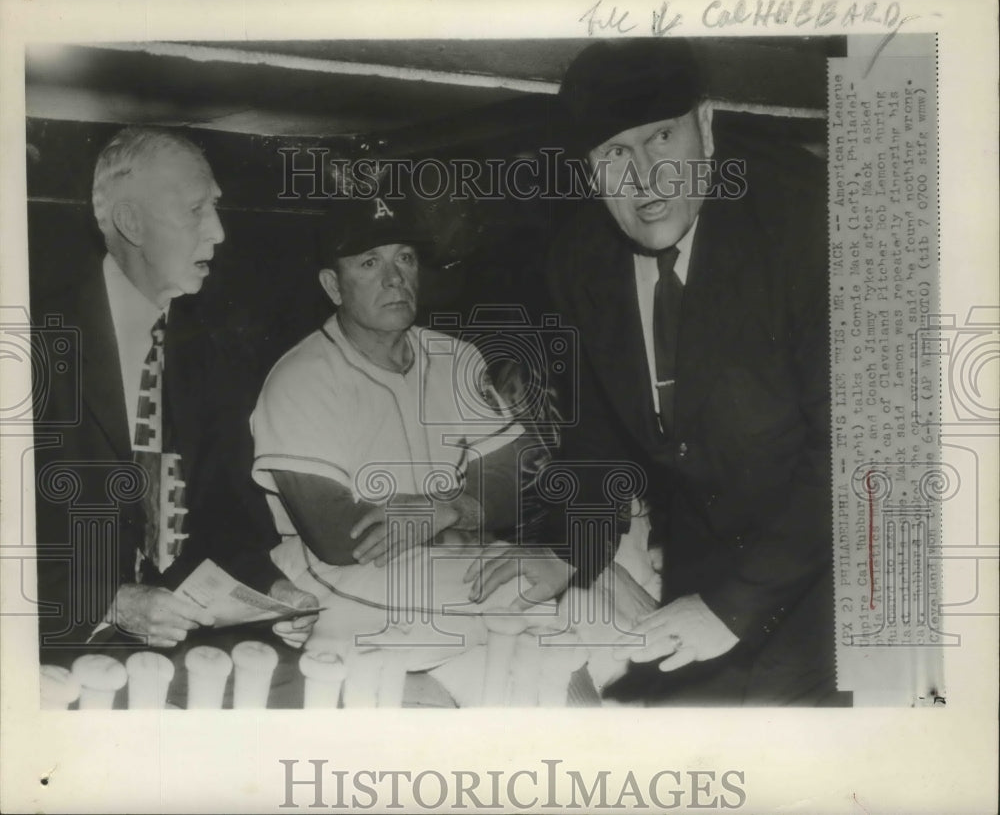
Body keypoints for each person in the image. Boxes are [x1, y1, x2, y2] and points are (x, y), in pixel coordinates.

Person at [478, 39, 842, 705]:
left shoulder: (808, 226)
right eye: (614, 154)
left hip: (836, 570)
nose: (643, 178)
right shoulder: (582, 262)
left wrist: (734, 608)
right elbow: (599, 434)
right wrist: (568, 549)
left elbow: (852, 455)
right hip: (706, 566)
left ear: (706, 124)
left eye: (660, 138)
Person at [33, 126, 317, 658]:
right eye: (195, 211)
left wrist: (272, 589)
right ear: (131, 223)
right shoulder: (32, 343)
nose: (218, 233)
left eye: (214, 209)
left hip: (176, 647)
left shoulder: (209, 353)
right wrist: (110, 602)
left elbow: (226, 517)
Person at [250, 192, 545, 638]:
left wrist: (448, 510)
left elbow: (515, 474)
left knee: (569, 599)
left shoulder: (456, 358)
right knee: (527, 616)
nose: (394, 279)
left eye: (404, 258)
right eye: (369, 263)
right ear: (333, 286)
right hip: (331, 578)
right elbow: (336, 534)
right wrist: (452, 525)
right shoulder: (301, 378)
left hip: (445, 553)